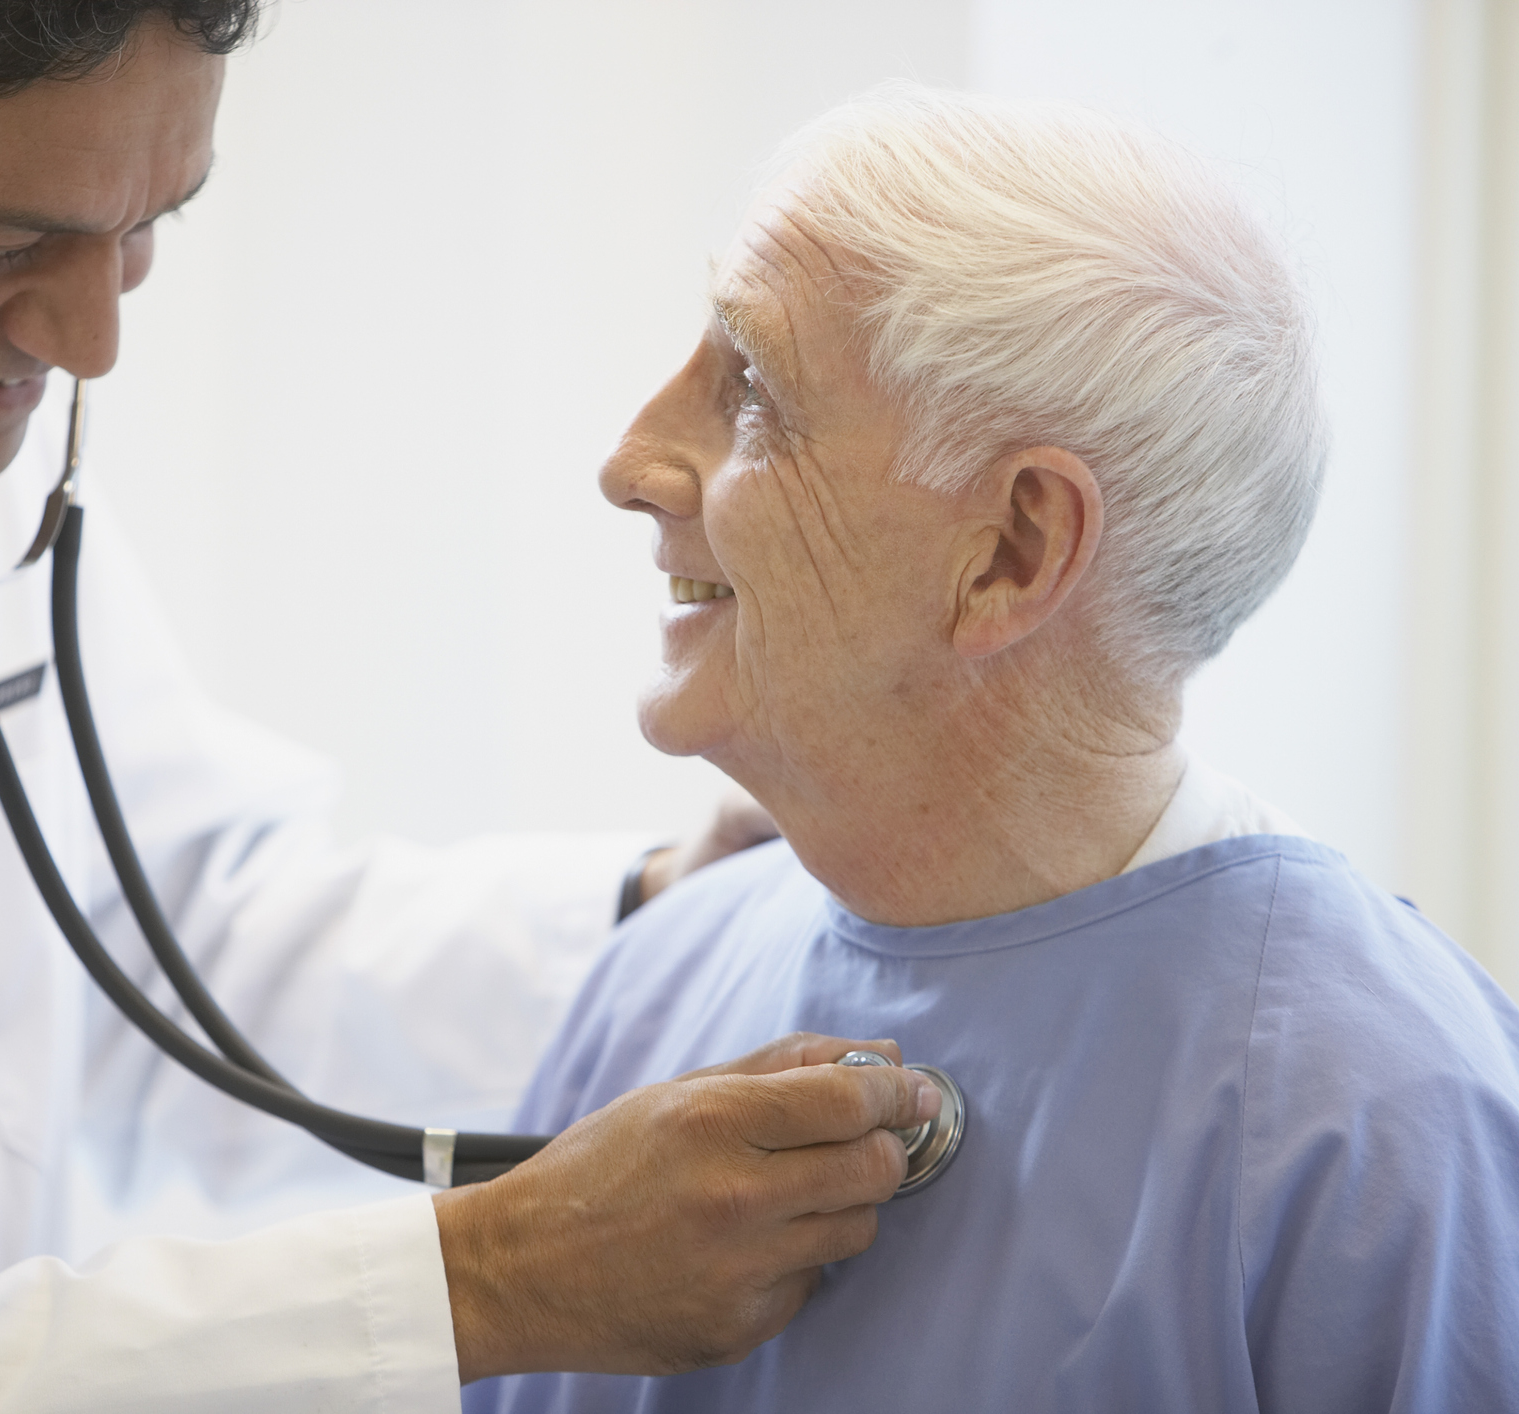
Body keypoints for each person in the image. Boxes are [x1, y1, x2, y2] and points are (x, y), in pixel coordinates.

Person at [0, 6, 945, 1412]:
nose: (92, 339)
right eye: (3, 243)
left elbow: (164, 934)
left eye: (145, 229)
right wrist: (488, 1279)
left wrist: (653, 914)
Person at [465, 84, 1519, 1414]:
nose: (628, 462)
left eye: (751, 392)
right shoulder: (652, 986)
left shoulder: (1381, 1128)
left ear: (1012, 551)